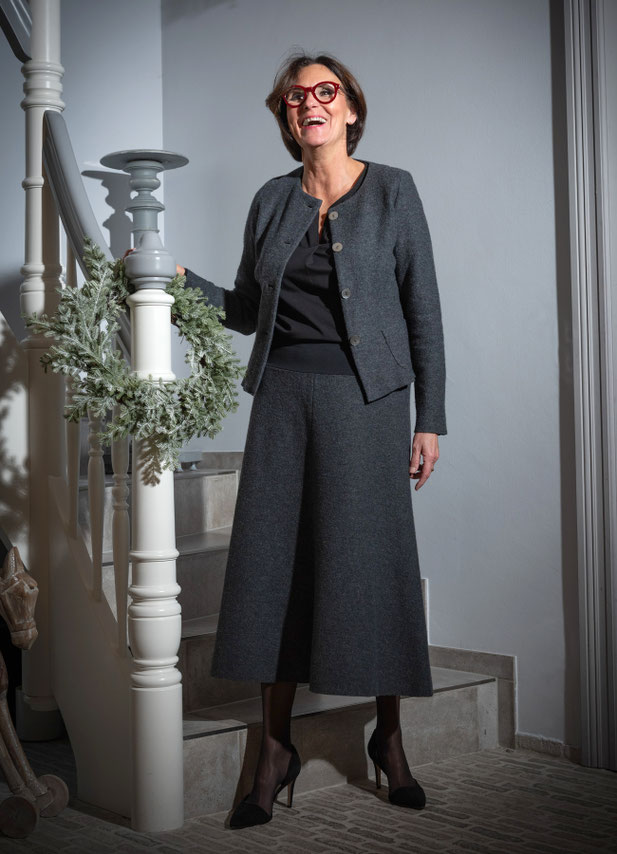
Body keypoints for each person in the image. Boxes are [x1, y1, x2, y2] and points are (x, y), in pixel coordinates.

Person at [178, 51, 446, 830]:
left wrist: (429, 417)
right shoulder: (270, 200)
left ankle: (389, 739)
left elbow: (423, 311)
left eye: (325, 91)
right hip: (282, 402)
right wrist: (174, 279)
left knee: (374, 562)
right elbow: (245, 309)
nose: (310, 103)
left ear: (350, 108)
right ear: (286, 116)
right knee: (273, 564)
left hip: (369, 403)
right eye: (296, 97)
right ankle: (273, 750)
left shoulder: (393, 190)